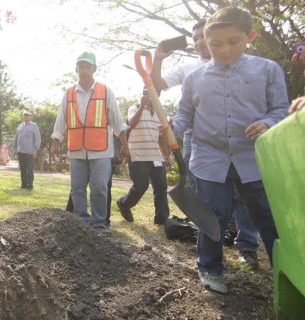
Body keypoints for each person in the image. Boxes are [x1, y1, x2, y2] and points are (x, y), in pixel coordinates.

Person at [168, 6, 289, 294]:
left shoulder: (267, 70)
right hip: (209, 157)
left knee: (266, 215)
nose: (223, 50)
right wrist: (171, 129)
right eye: (215, 44)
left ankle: (285, 272)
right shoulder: (194, 78)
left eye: (233, 41)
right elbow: (185, 116)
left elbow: (281, 110)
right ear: (205, 43)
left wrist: (267, 122)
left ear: (250, 36)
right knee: (213, 214)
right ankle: (210, 268)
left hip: (255, 157)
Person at [152, 19, 261, 268]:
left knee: (242, 194)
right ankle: (210, 244)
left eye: (203, 35)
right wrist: (158, 58)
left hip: (239, 139)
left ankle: (248, 246)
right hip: (199, 140)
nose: (200, 41)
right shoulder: (189, 68)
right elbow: (157, 84)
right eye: (196, 38)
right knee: (206, 196)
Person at [51, 52, 129, 230]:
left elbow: (117, 121)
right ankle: (81, 223)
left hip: (100, 149)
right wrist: (56, 141)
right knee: (77, 188)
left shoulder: (105, 91)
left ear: (94, 68)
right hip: (77, 149)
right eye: (81, 66)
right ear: (76, 68)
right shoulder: (69, 93)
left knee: (99, 187)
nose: (84, 69)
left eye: (88, 66)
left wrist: (125, 145)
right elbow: (61, 119)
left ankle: (99, 223)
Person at [116, 90, 170, 225]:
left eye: (152, 92)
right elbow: (131, 124)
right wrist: (141, 106)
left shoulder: (160, 112)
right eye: (146, 92)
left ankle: (162, 219)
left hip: (157, 157)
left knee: (161, 188)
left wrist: (166, 155)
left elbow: (161, 136)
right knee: (141, 186)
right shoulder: (134, 107)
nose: (149, 94)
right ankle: (124, 203)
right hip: (138, 155)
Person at [13, 110, 41, 190]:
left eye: (27, 115)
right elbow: (16, 138)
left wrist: (35, 150)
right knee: (22, 169)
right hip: (20, 151)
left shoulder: (34, 126)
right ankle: (23, 185)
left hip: (30, 152)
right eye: (24, 115)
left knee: (29, 169)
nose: (26, 116)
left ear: (30, 116)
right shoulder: (20, 126)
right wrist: (15, 149)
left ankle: (30, 185)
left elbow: (38, 139)